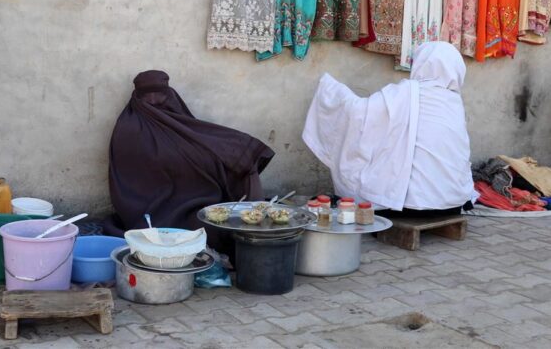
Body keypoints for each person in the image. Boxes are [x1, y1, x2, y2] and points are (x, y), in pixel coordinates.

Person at [104, 70, 274, 256]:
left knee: (238, 158)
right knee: (207, 230)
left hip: (194, 194)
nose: (153, 100)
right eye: (147, 95)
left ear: (168, 93)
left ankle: (257, 223)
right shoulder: (128, 127)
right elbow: (133, 174)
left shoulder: (174, 113)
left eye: (159, 93)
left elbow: (196, 136)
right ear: (137, 97)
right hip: (149, 207)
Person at [303, 41, 476, 216]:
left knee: (374, 173)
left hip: (407, 207)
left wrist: (332, 91)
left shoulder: (408, 91)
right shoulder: (454, 101)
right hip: (453, 204)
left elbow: (361, 114)